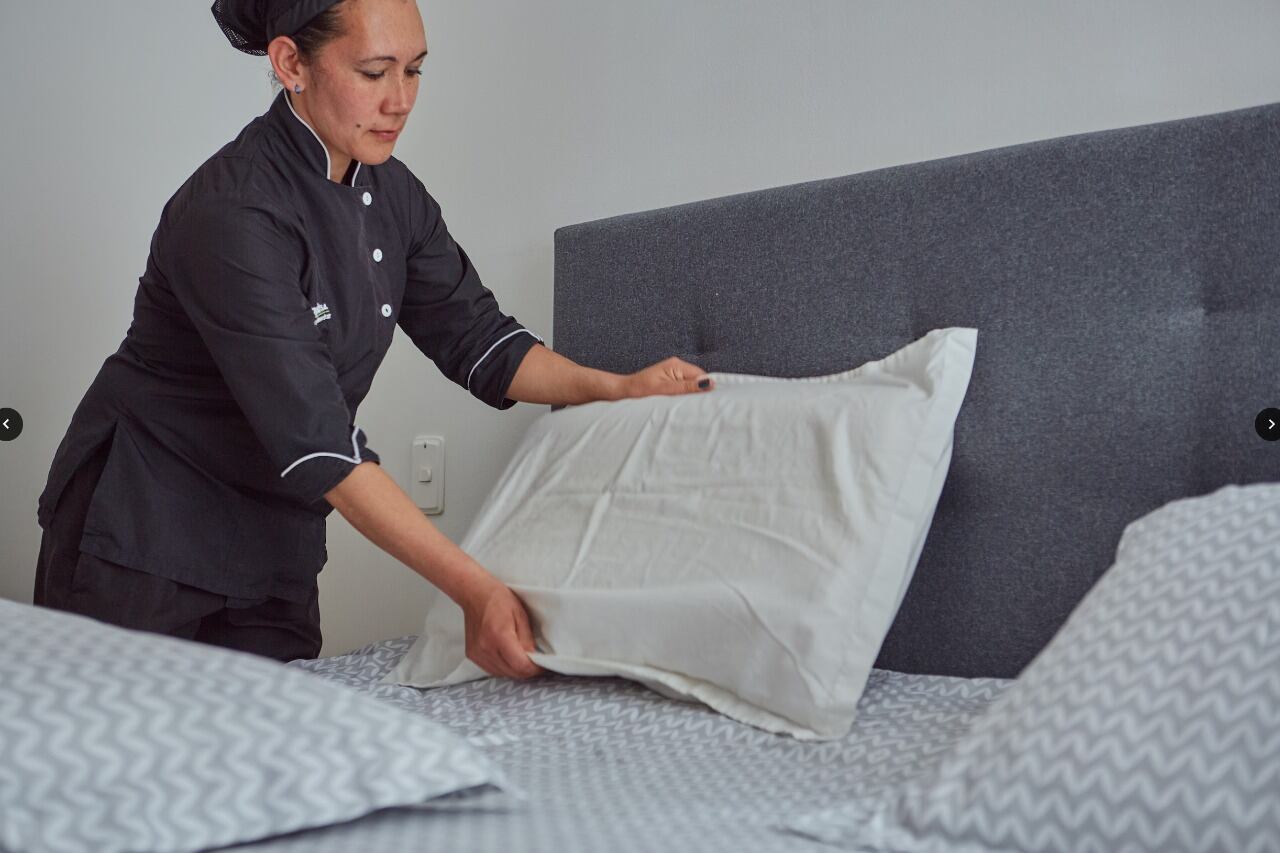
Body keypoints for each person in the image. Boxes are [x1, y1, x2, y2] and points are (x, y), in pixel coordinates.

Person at [34, 0, 713, 676]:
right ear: (291, 63)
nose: (400, 101)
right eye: (374, 72)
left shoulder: (394, 195)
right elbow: (320, 439)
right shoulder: (233, 210)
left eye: (414, 70)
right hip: (145, 526)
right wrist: (474, 588)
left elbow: (480, 340)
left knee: (277, 736)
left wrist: (615, 388)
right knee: (114, 738)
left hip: (275, 537)